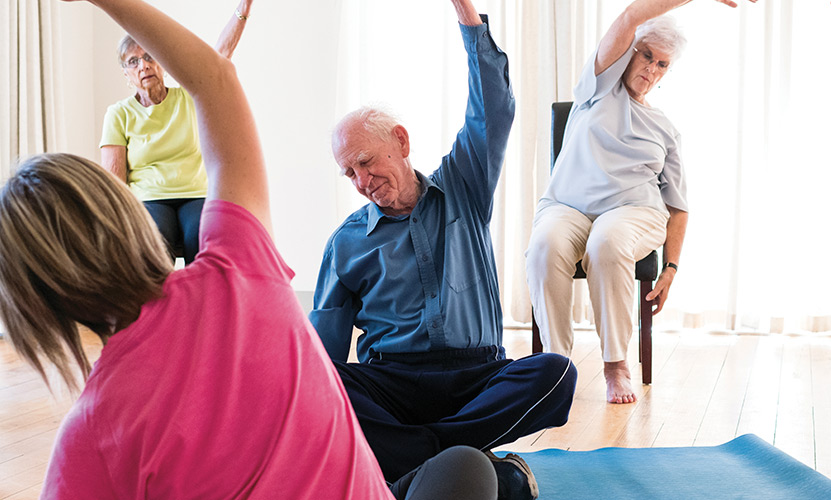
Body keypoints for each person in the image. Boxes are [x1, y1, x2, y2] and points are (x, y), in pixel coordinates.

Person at [0, 1, 499, 498]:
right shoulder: (239, 265)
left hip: (467, 376)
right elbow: (214, 78)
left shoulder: (89, 438)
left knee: (476, 446)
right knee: (465, 468)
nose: (362, 180)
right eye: (351, 171)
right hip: (391, 404)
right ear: (121, 209)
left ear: (32, 306)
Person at [310, 1, 577, 498]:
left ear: (401, 141)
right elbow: (321, 353)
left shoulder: (463, 186)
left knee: (556, 372)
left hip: (477, 375)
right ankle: (480, 468)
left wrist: (467, 15)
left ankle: (416, 461)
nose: (362, 181)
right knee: (324, 383)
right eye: (349, 173)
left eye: (366, 162)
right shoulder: (345, 242)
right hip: (393, 383)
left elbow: (493, 110)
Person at [525, 0, 758, 405]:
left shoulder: (665, 128)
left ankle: (616, 365)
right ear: (630, 51)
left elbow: (678, 205)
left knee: (608, 241)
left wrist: (671, 268)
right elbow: (632, 16)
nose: (651, 68)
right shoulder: (597, 88)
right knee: (545, 244)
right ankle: (555, 366)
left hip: (636, 213)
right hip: (568, 206)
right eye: (646, 55)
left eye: (662, 64)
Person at [99, 0, 254, 265]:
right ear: (126, 73)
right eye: (133, 61)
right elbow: (114, 181)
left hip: (195, 193)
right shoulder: (119, 114)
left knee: (202, 237)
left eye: (149, 56)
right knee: (156, 239)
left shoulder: (190, 97)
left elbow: (220, 59)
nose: (143, 66)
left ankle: (201, 293)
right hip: (149, 198)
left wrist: (244, 8)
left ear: (161, 62)